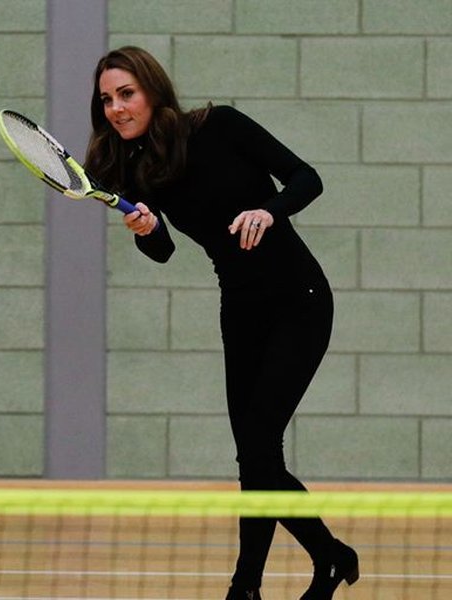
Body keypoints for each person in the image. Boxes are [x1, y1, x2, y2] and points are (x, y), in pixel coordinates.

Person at [84, 47, 357, 600]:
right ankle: (326, 558)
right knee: (256, 455)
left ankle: (246, 587)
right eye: (107, 99)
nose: (115, 108)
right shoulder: (136, 169)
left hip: (299, 300)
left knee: (258, 443)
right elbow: (162, 250)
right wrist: (145, 229)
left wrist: (269, 211)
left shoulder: (221, 125)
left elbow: (308, 178)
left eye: (126, 93)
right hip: (240, 309)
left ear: (153, 90)